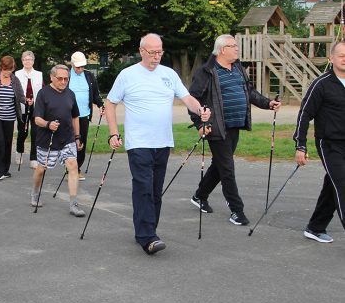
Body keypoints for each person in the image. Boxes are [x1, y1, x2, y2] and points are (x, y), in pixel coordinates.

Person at [106, 33, 210, 255]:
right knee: (143, 187)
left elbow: (187, 98)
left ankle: (145, 230)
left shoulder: (168, 74)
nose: (156, 56)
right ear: (142, 51)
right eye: (152, 52)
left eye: (160, 51)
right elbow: (110, 103)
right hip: (138, 142)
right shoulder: (128, 75)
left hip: (163, 142)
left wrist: (200, 109)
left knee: (154, 190)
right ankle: (148, 237)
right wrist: (113, 133)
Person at [187, 34, 280, 226]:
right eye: (233, 46)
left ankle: (199, 195)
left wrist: (268, 103)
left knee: (221, 166)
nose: (237, 49)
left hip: (234, 125)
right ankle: (237, 211)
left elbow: (250, 92)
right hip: (215, 127)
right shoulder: (207, 71)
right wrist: (200, 124)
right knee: (227, 168)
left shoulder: (238, 68)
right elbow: (193, 100)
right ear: (222, 50)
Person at [294, 41, 345, 244]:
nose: (344, 59)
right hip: (329, 144)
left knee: (332, 184)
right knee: (342, 185)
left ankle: (315, 227)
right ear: (331, 58)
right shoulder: (321, 84)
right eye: (341, 55)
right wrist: (301, 145)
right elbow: (305, 114)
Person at [31, 64, 85, 216]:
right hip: (47, 139)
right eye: (60, 78)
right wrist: (48, 124)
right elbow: (37, 119)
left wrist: (77, 136)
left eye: (66, 79)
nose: (63, 82)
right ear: (52, 77)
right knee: (42, 169)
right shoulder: (43, 94)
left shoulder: (70, 94)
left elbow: (75, 116)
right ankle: (35, 193)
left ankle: (74, 204)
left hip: (67, 138)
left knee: (73, 166)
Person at [67, 51, 104, 181]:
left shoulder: (88, 76)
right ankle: (71, 169)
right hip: (68, 115)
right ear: (71, 64)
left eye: (82, 66)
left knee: (81, 142)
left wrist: (100, 105)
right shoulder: (66, 75)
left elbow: (95, 94)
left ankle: (77, 168)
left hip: (84, 115)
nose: (80, 69)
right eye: (78, 67)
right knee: (70, 142)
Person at [15, 50, 43, 169]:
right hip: (22, 107)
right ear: (22, 61)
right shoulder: (17, 74)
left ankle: (34, 158)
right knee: (23, 132)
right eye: (26, 59)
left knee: (36, 133)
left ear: (33, 61)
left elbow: (42, 91)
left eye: (30, 59)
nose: (28, 61)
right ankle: (19, 151)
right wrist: (25, 99)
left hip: (36, 107)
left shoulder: (39, 74)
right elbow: (15, 91)